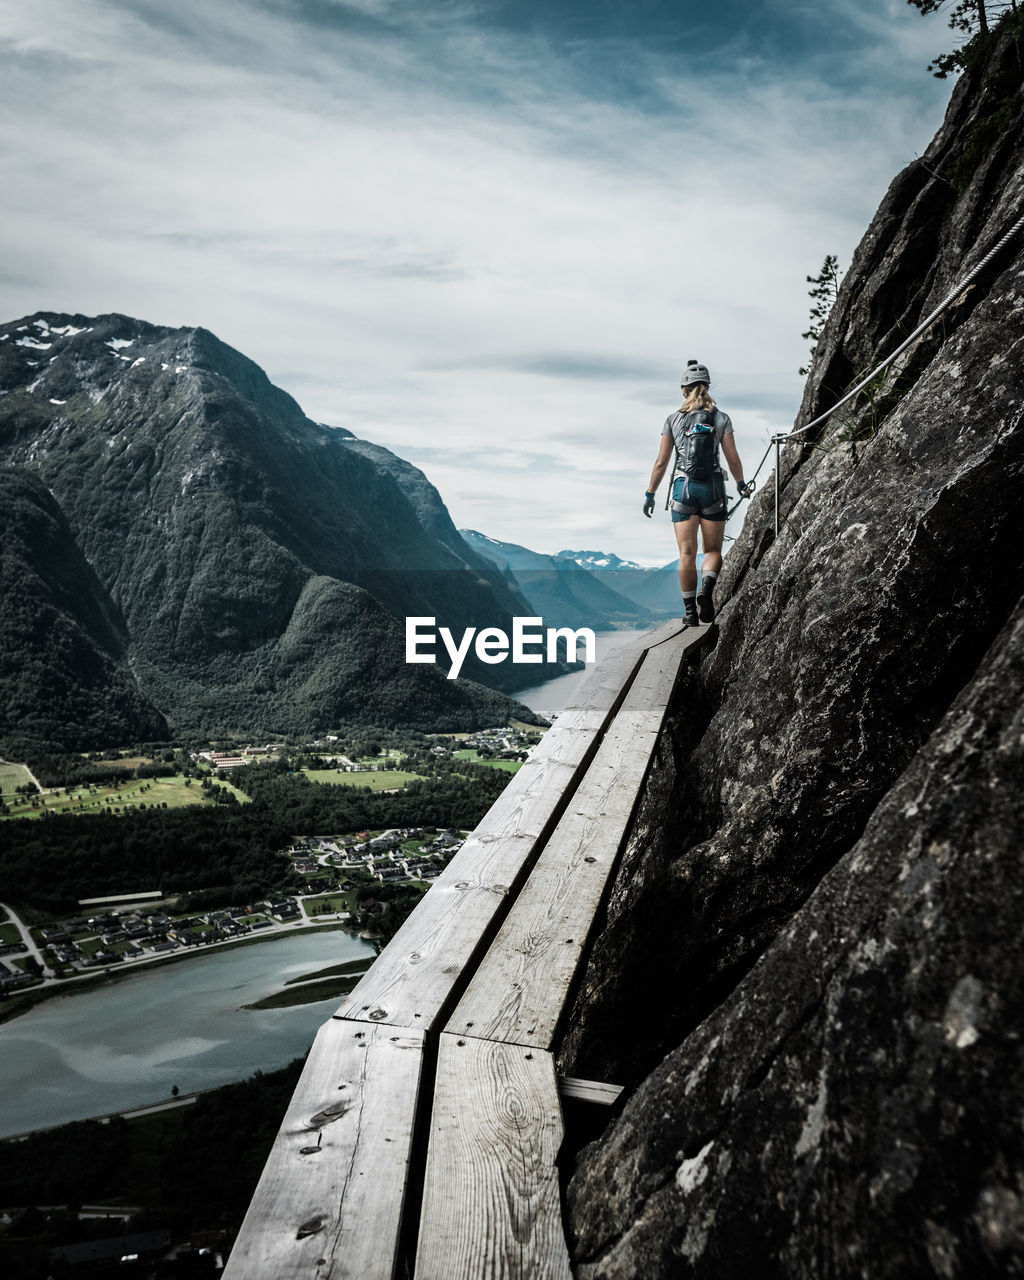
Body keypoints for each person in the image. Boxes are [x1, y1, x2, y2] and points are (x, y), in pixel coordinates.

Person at [643, 360, 752, 627]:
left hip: (684, 488)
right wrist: (740, 483)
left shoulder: (673, 420)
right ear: (708, 386)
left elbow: (661, 462)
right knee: (712, 549)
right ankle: (707, 588)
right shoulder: (721, 418)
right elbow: (733, 457)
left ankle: (690, 612)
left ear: (684, 388)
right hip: (712, 487)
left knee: (686, 554)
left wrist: (650, 493)